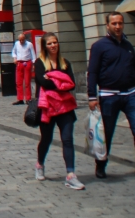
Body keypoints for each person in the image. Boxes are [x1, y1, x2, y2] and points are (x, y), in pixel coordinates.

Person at [87, 12, 135, 179]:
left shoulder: (128, 45)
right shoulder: (99, 46)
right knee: (106, 133)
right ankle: (101, 164)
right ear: (107, 25)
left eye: (120, 23)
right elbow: (92, 72)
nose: (117, 26)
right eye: (114, 23)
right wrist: (92, 96)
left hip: (130, 95)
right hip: (109, 96)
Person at [34, 32, 84, 190]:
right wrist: (61, 80)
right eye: (49, 43)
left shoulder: (65, 63)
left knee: (67, 140)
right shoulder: (39, 63)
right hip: (47, 107)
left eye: (55, 42)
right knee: (46, 139)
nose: (53, 45)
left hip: (65, 107)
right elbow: (43, 82)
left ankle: (70, 174)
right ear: (45, 46)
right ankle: (40, 164)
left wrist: (53, 78)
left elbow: (72, 84)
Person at [12, 32, 37, 105]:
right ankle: (20, 99)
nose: (21, 41)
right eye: (20, 40)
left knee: (27, 82)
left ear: (25, 39)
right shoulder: (16, 44)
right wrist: (15, 58)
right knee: (18, 82)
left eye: (22, 40)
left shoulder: (29, 44)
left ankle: (28, 98)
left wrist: (33, 64)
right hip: (19, 63)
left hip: (27, 63)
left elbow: (33, 54)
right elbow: (14, 52)